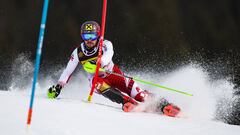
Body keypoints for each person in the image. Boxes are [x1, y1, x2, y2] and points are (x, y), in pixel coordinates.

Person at [47, 21, 180, 117]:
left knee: (139, 95)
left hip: (114, 74)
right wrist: (59, 86)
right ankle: (126, 102)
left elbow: (110, 53)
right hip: (97, 79)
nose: (89, 40)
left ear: (97, 35)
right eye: (86, 37)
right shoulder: (78, 52)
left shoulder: (104, 44)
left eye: (92, 36)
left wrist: (102, 61)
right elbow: (68, 71)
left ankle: (164, 105)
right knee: (96, 84)